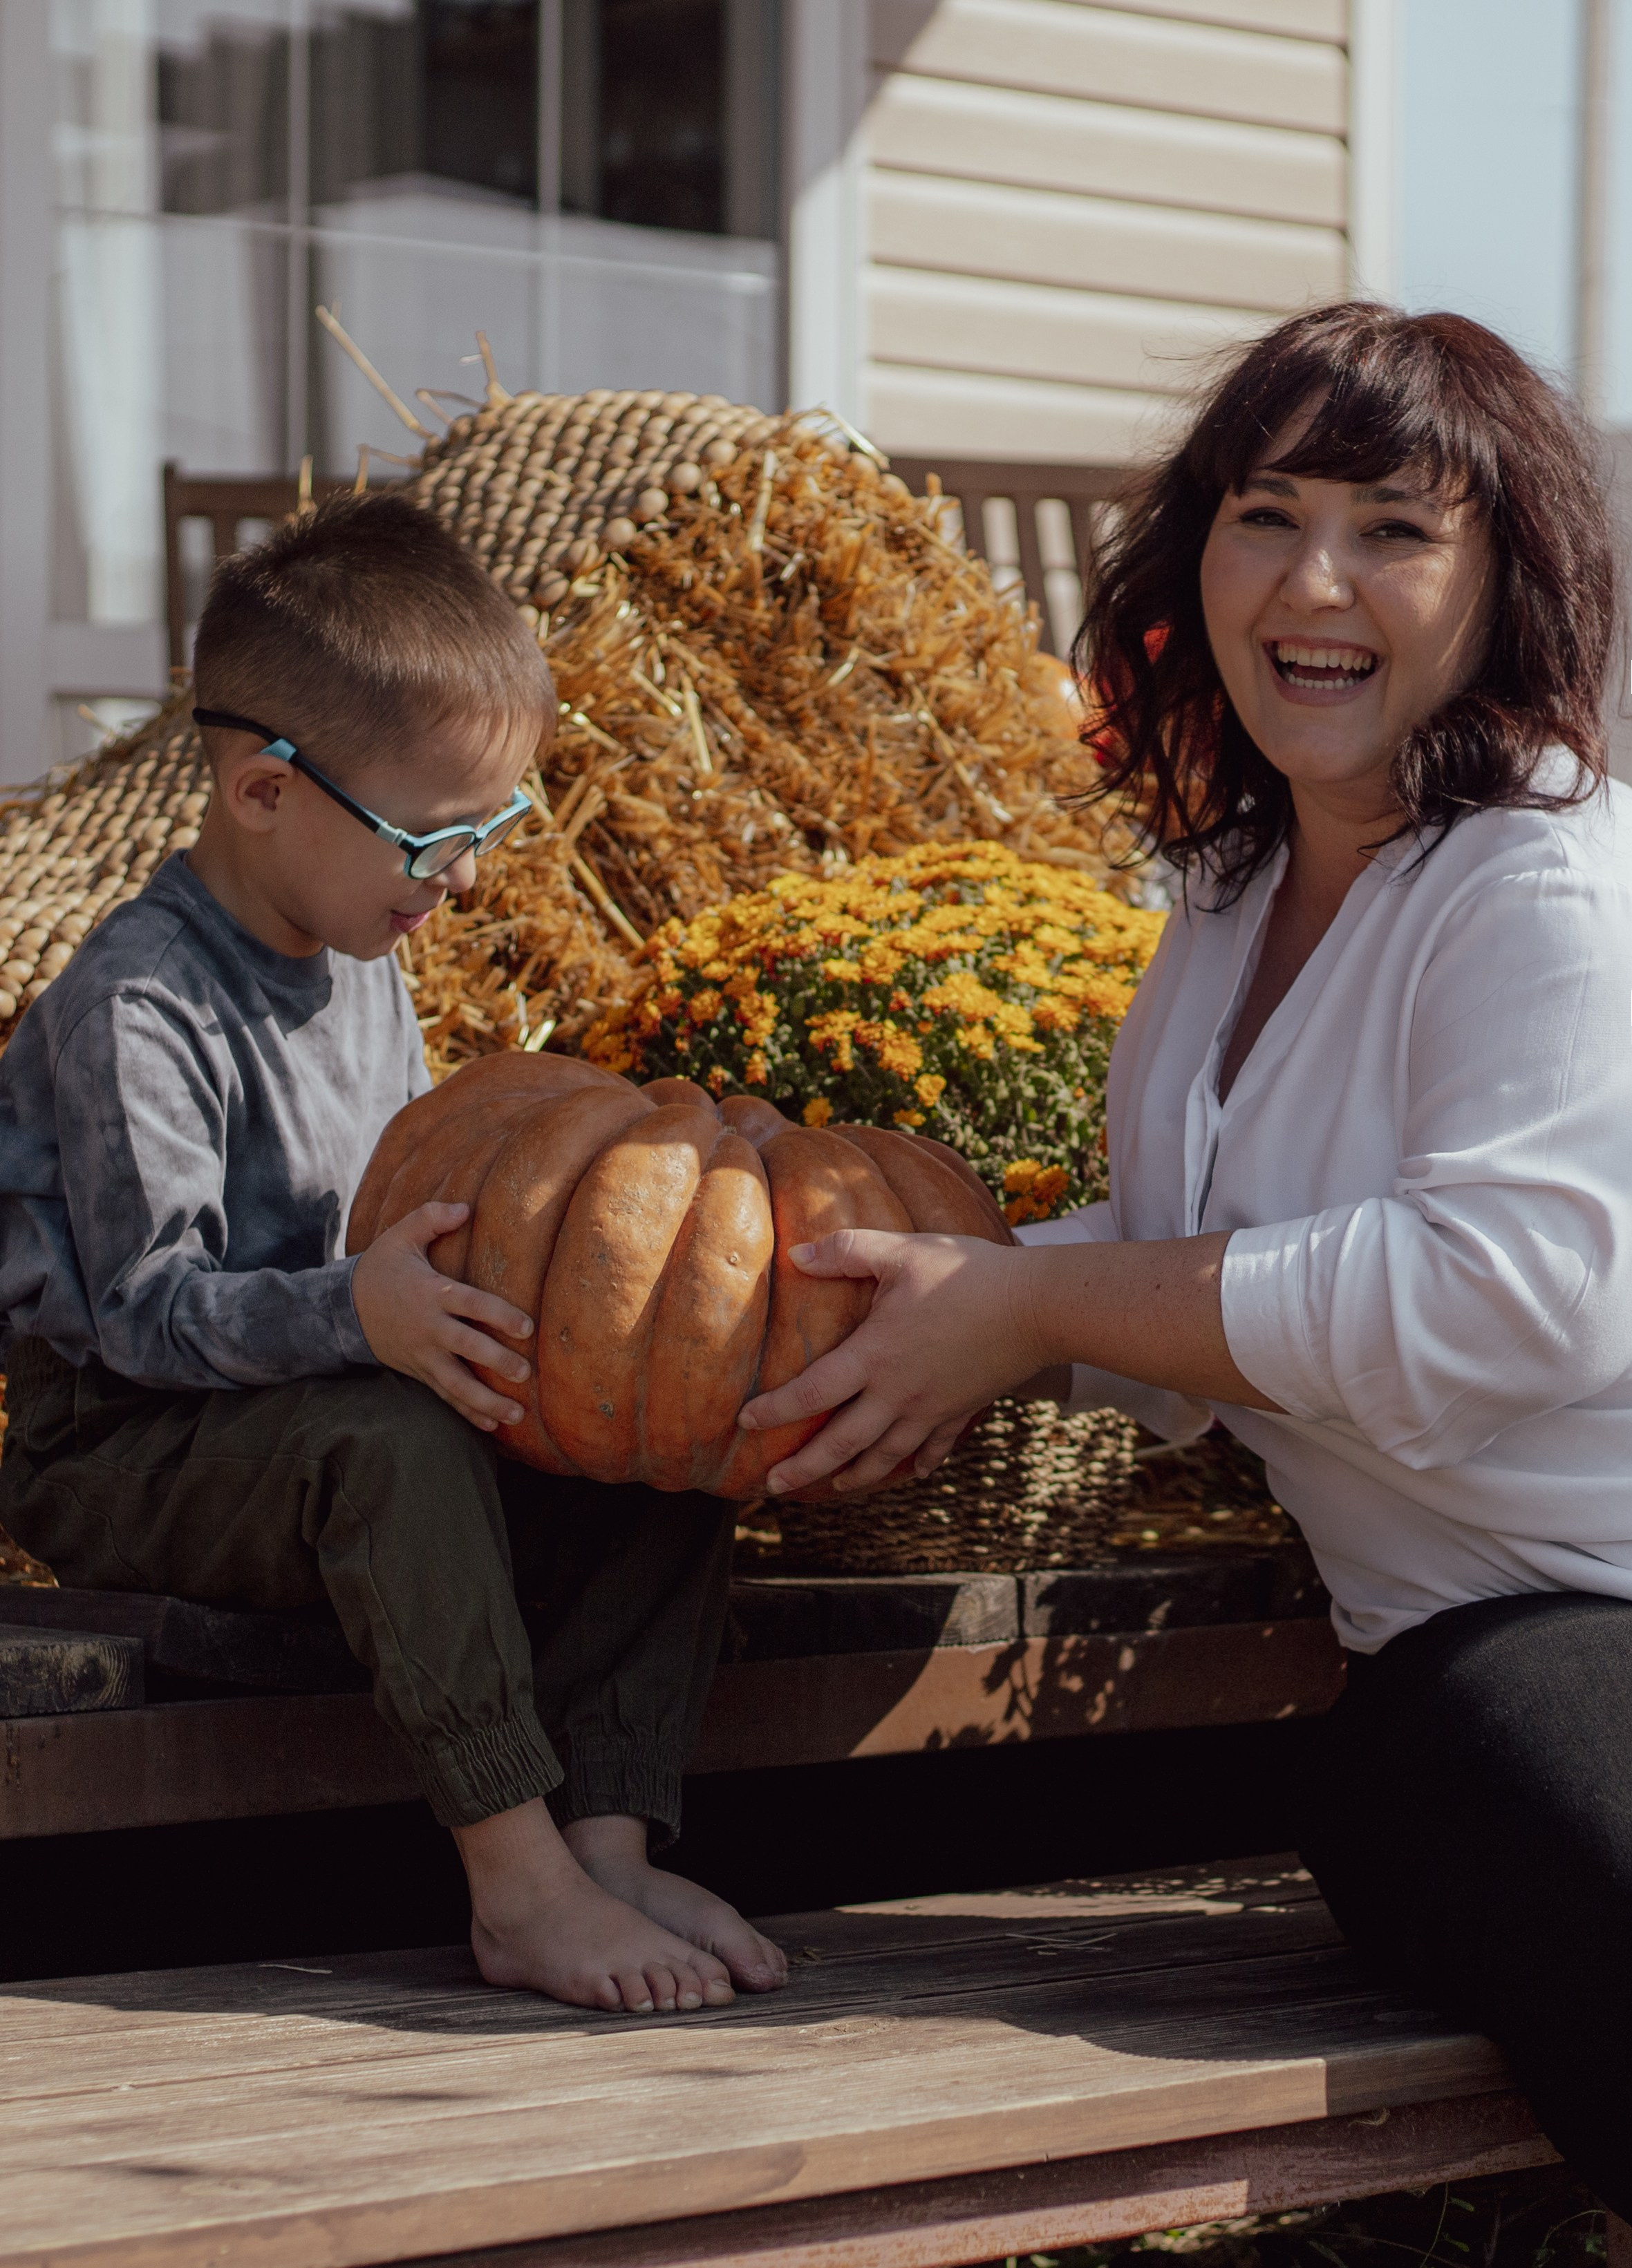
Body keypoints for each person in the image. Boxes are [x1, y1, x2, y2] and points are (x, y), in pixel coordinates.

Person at [738, 302, 1632, 2204]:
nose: (1317, 579)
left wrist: (1037, 1301)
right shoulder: (1229, 894)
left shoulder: (1537, 881)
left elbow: (1505, 1298)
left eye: (1396, 527)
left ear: (1505, 581)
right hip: (1458, 1671)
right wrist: (919, 1293)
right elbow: (1182, 1254)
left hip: (1586, 1633)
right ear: (1193, 552)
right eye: (1264, 512)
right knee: (1428, 1771)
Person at [0, 492, 785, 2016]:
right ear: (261, 791)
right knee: (391, 1441)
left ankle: (606, 1833)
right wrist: (363, 1315)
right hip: (128, 1449)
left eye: (491, 831)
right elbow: (146, 1319)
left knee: (657, 1428)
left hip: (324, 1409)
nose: (468, 878)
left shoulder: (360, 952)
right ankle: (513, 1875)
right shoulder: (138, 1008)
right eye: (434, 835)